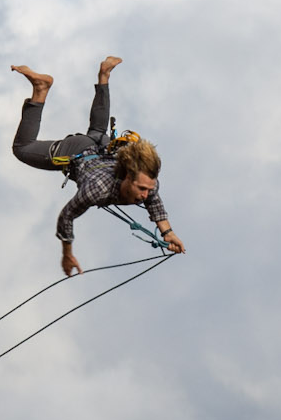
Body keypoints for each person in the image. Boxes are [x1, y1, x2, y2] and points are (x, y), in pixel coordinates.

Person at [11, 57, 184, 276]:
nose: (145, 194)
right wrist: (67, 253)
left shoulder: (149, 183)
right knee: (22, 148)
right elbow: (67, 216)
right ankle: (40, 89)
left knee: (97, 133)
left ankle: (104, 76)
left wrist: (167, 232)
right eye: (141, 188)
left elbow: (155, 203)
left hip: (105, 149)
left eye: (148, 189)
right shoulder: (96, 190)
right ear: (127, 178)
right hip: (79, 151)